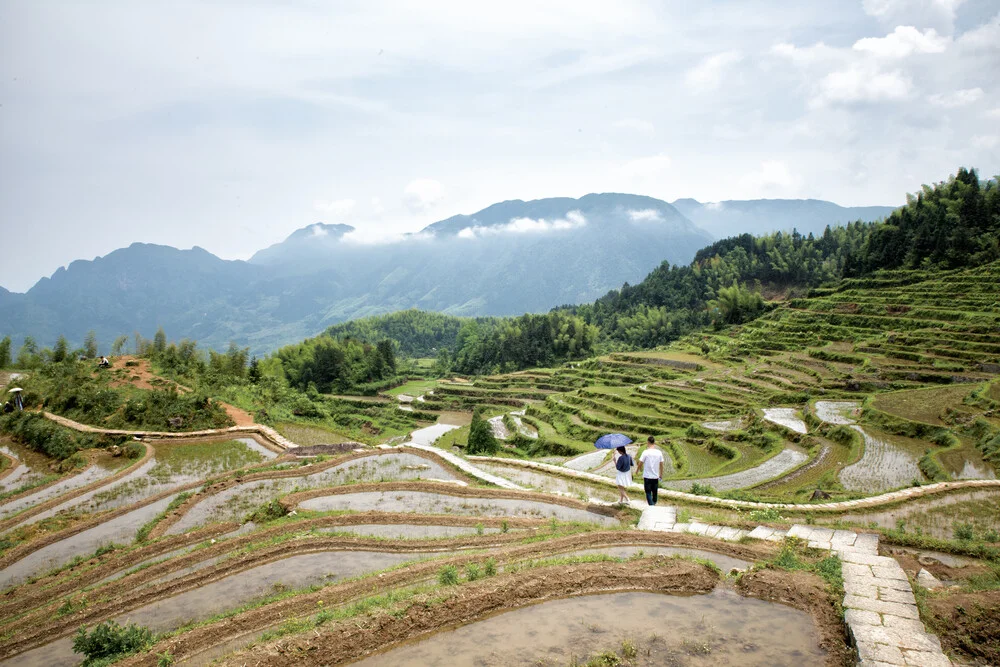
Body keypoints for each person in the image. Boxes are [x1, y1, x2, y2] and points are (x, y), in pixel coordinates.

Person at [637, 436, 664, 506]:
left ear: (648, 442)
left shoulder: (645, 452)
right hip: (655, 476)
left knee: (648, 492)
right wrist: (661, 474)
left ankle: (652, 507)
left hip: (647, 477)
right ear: (654, 443)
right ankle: (653, 504)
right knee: (655, 493)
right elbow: (661, 464)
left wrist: (637, 470)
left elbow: (640, 462)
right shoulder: (659, 452)